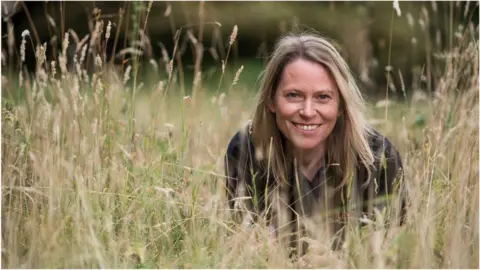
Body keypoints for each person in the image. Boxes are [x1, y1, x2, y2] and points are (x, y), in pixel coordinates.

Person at [224, 33, 406, 257]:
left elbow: (393, 248)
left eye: (323, 97)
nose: (308, 112)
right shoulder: (246, 151)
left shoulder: (378, 157)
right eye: (293, 95)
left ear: (341, 104)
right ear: (271, 100)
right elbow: (248, 247)